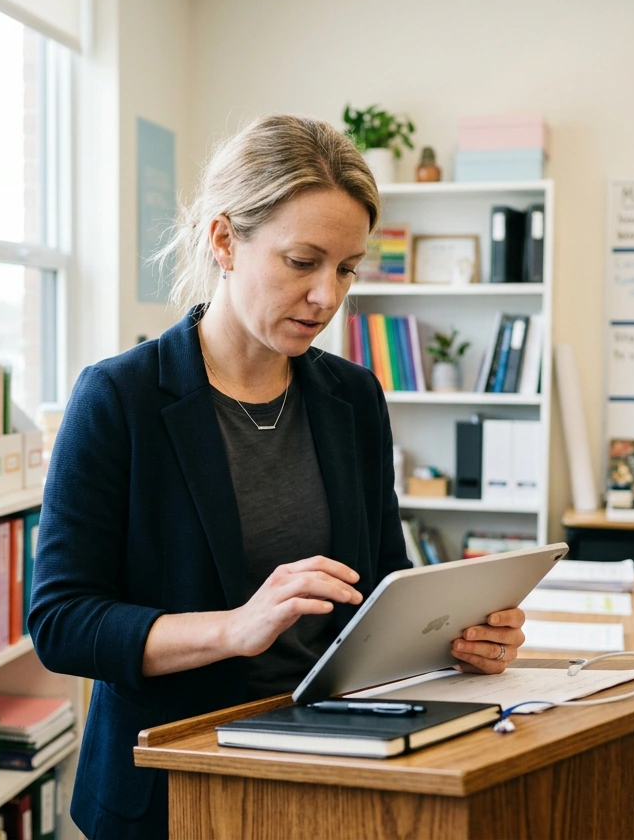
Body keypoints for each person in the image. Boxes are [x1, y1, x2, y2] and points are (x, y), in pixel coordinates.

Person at [27, 114, 527, 839]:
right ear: (225, 241)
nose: (328, 296)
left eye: (347, 267)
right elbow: (62, 622)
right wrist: (233, 629)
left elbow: (380, 581)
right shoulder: (119, 398)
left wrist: (453, 636)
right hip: (177, 788)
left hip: (332, 770)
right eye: (303, 261)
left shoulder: (353, 397)